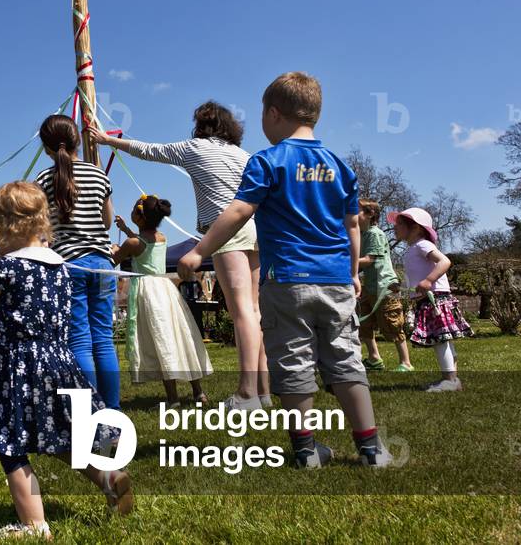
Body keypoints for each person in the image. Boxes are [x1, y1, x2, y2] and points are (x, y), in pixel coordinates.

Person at [180, 72, 391, 468]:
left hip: (287, 282)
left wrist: (200, 250)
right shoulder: (340, 167)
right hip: (335, 282)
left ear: (274, 114)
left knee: (293, 363)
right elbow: (351, 227)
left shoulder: (267, 161)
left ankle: (306, 452)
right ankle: (371, 448)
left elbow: (240, 211)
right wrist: (353, 272)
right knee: (346, 361)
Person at [0, 181, 132, 538]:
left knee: (9, 442)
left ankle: (34, 525)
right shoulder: (61, 265)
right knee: (62, 435)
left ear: (2, 226)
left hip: (20, 365)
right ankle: (108, 476)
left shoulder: (6, 266)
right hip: (60, 361)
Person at [89, 100, 270, 410]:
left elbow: (148, 150)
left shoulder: (194, 149)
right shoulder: (243, 154)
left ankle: (246, 393)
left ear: (200, 125)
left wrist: (107, 140)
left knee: (241, 312)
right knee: (254, 311)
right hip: (254, 229)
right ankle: (264, 393)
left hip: (225, 230)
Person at [35, 115, 120, 409]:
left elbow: (41, 228)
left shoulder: (42, 181)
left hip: (68, 265)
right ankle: (113, 412)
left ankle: (88, 414)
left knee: (80, 341)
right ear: (78, 141)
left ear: (46, 148)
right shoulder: (99, 176)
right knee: (104, 340)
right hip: (102, 264)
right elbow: (107, 222)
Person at [112, 195, 213, 407]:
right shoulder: (162, 237)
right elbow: (141, 245)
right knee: (180, 336)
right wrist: (127, 229)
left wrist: (113, 249)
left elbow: (118, 257)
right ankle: (198, 392)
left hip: (148, 292)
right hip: (165, 289)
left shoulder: (132, 243)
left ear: (139, 218)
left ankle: (173, 398)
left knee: (162, 339)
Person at [390, 207, 473, 392]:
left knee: (441, 340)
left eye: (399, 224)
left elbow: (445, 261)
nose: (395, 228)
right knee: (444, 340)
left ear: (417, 228)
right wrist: (400, 286)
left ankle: (450, 381)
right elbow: (414, 278)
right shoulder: (413, 249)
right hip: (429, 298)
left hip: (434, 298)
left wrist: (429, 280)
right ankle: (452, 380)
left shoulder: (422, 245)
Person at [357, 199, 413, 373]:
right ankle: (374, 358)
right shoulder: (361, 234)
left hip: (385, 286)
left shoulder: (375, 234)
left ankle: (406, 362)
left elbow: (368, 260)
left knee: (392, 321)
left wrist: (344, 263)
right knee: (363, 321)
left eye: (356, 210)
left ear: (370, 214)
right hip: (370, 285)